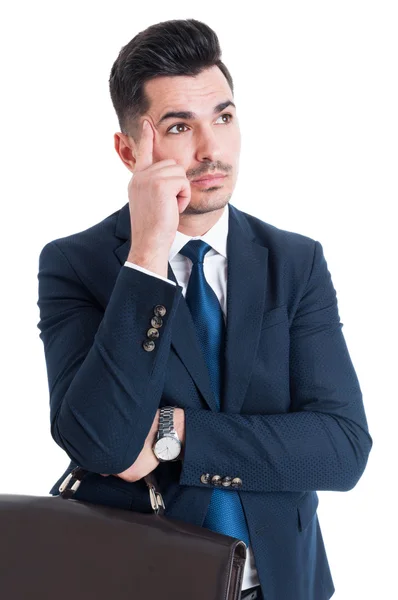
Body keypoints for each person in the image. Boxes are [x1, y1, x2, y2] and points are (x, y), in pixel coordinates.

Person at [37, 18, 372, 600]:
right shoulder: (77, 265)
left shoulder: (294, 262)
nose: (211, 148)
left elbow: (342, 448)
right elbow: (101, 444)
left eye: (223, 116)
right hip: (141, 585)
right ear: (128, 149)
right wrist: (145, 259)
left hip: (286, 586)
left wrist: (176, 432)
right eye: (178, 126)